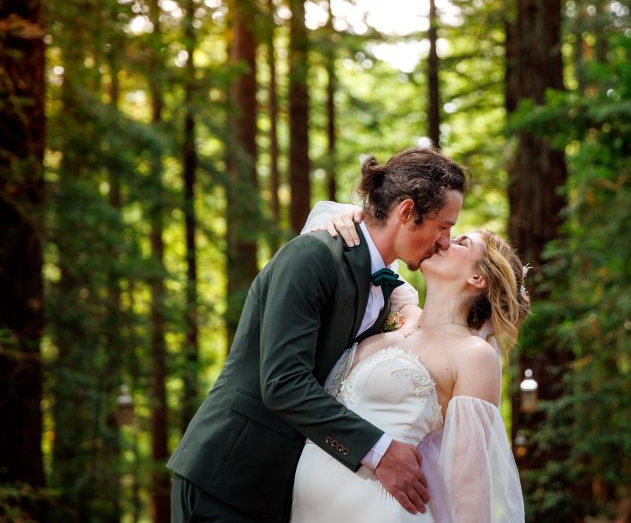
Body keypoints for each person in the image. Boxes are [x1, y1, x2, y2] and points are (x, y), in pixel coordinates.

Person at [166, 147, 467, 522]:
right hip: (227, 479)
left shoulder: (387, 287)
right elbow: (283, 382)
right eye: (443, 226)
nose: (445, 241)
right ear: (406, 212)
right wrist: (381, 450)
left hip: (285, 493)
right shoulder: (313, 256)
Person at [290, 211, 529, 522]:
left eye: (460, 242)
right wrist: (345, 219)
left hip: (383, 511)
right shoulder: (397, 311)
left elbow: (470, 486)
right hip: (307, 512)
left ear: (478, 278)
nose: (442, 240)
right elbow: (368, 225)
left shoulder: (474, 355)